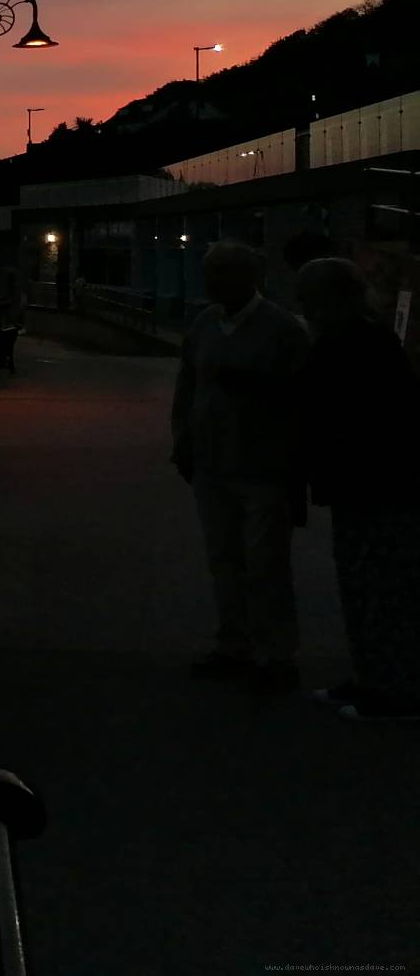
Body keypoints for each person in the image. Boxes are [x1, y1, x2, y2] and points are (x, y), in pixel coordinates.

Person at [171, 241, 312, 692]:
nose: (214, 282)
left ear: (250, 277)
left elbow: (302, 398)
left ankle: (275, 654)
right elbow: (187, 386)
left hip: (264, 465)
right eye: (211, 273)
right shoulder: (204, 323)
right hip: (212, 463)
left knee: (266, 562)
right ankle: (235, 645)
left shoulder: (283, 329)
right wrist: (183, 441)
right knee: (225, 558)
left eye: (224, 273)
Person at [296, 258, 420, 720]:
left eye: (308, 299)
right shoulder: (365, 340)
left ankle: (394, 690)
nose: (303, 308)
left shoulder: (353, 345)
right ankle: (375, 679)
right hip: (369, 487)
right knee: (368, 588)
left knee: (381, 591)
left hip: (378, 489)